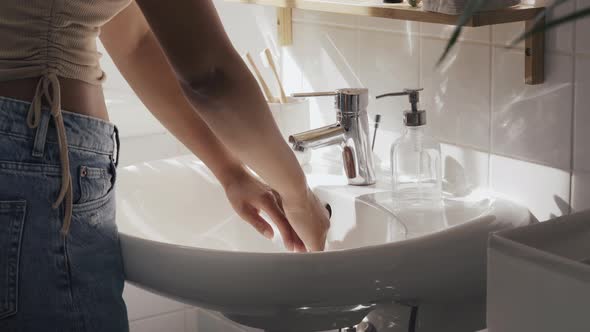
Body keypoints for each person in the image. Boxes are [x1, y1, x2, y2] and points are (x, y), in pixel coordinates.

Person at [0, 1, 331, 331]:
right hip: (34, 156)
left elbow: (134, 39)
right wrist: (297, 195)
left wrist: (230, 171)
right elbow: (211, 75)